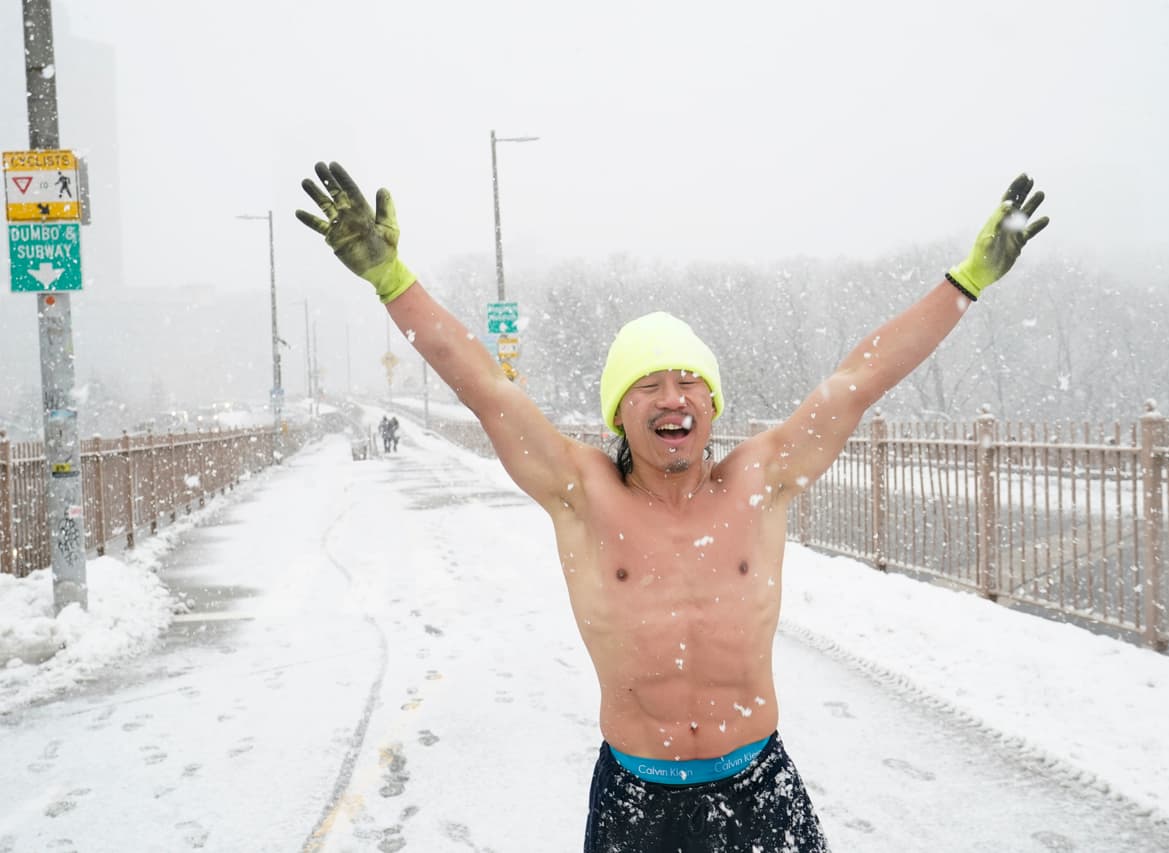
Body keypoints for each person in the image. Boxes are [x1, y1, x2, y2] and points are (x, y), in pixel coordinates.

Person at [296, 162, 1048, 852]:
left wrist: (967, 280)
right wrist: (391, 278)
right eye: (647, 385)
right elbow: (485, 388)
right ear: (616, 414)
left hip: (761, 792)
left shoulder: (762, 480)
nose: (672, 397)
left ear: (713, 404)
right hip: (637, 800)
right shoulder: (583, 496)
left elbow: (859, 378)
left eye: (689, 381)